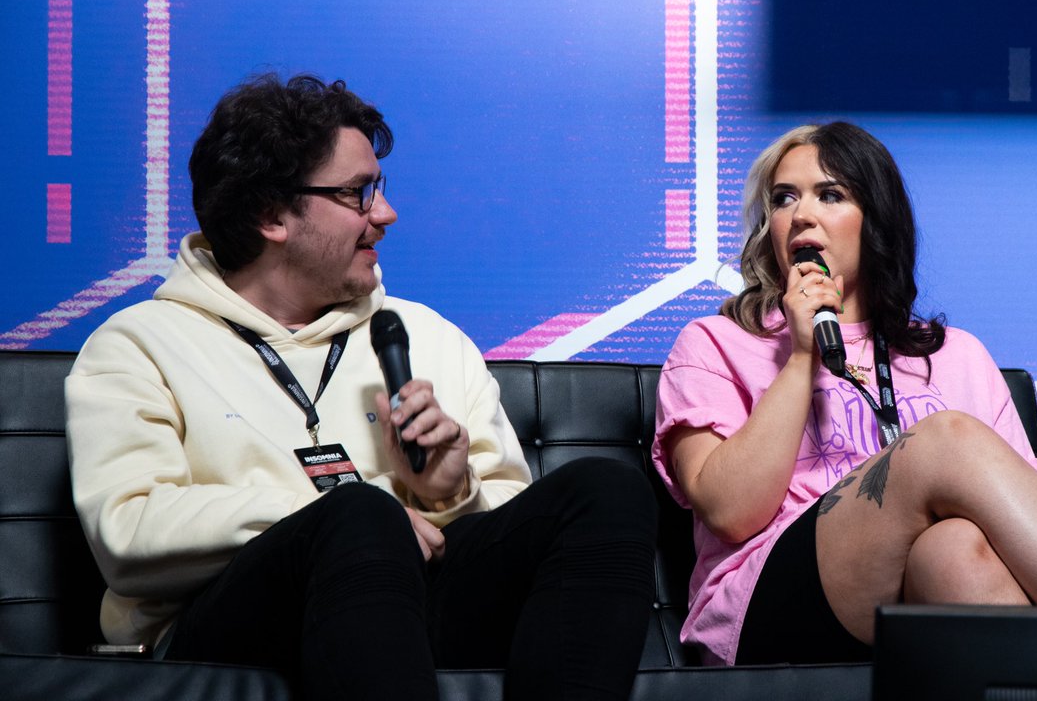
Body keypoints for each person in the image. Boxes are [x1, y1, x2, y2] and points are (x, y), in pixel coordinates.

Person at [65, 73, 657, 700]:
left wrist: (448, 491)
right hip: (232, 625)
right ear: (271, 214)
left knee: (606, 489)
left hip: (417, 606)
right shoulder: (139, 344)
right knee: (358, 512)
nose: (386, 213)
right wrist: (333, 510)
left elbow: (511, 532)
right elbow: (128, 532)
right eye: (358, 193)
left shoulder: (427, 336)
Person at [652, 121, 1037, 667]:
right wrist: (803, 356)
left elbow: (1019, 528)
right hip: (764, 604)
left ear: (875, 222)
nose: (801, 214)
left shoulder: (957, 355)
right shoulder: (715, 343)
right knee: (945, 436)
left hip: (910, 590)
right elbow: (729, 512)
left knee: (956, 552)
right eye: (784, 199)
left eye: (830, 194)